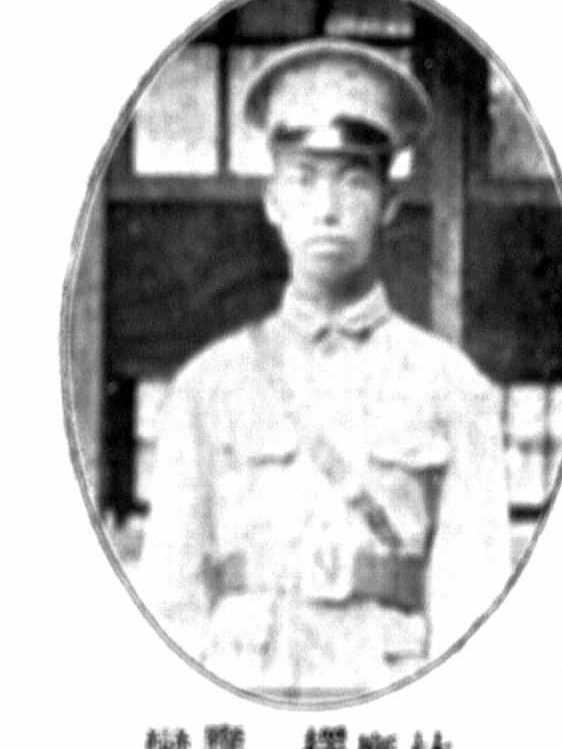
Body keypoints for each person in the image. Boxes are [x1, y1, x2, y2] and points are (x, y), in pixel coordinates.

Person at [138, 38, 511, 697]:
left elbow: (472, 613)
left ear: (389, 205)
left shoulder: (454, 391)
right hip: (244, 692)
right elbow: (170, 606)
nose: (328, 207)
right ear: (273, 202)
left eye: (354, 180)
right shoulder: (207, 388)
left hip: (386, 700)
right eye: (304, 178)